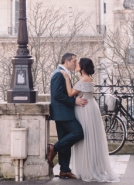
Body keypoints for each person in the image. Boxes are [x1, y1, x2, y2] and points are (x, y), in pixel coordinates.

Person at [63, 58, 120, 182]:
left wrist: (67, 79)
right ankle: (91, 167)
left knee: (86, 137)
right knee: (90, 137)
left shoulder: (84, 79)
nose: (76, 64)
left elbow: (70, 93)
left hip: (85, 110)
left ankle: (88, 169)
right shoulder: (88, 78)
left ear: (83, 66)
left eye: (78, 63)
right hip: (90, 107)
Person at [47, 52, 88, 180]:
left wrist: (75, 97)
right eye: (74, 61)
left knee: (66, 141)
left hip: (62, 113)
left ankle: (64, 170)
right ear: (67, 61)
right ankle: (53, 148)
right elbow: (58, 95)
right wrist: (74, 101)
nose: (76, 63)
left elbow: (63, 93)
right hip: (63, 113)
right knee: (78, 133)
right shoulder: (59, 74)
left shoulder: (61, 73)